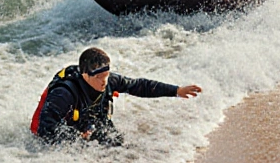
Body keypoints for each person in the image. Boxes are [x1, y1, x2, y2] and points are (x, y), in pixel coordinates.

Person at [30, 47, 201, 146]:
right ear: (85, 75)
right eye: (99, 78)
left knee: (117, 143)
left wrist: (176, 91)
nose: (104, 82)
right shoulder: (64, 93)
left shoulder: (108, 80)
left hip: (88, 121)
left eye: (106, 76)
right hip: (63, 132)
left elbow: (139, 86)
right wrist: (76, 139)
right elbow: (46, 129)